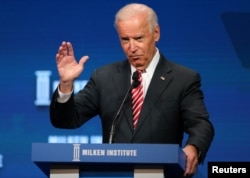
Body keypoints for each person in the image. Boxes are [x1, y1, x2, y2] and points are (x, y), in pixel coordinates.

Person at [50, 3, 214, 177]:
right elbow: (65, 120)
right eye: (125, 40)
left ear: (156, 33)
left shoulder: (183, 79)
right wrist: (66, 84)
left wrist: (193, 147)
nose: (132, 48)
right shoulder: (104, 77)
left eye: (139, 38)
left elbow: (201, 124)